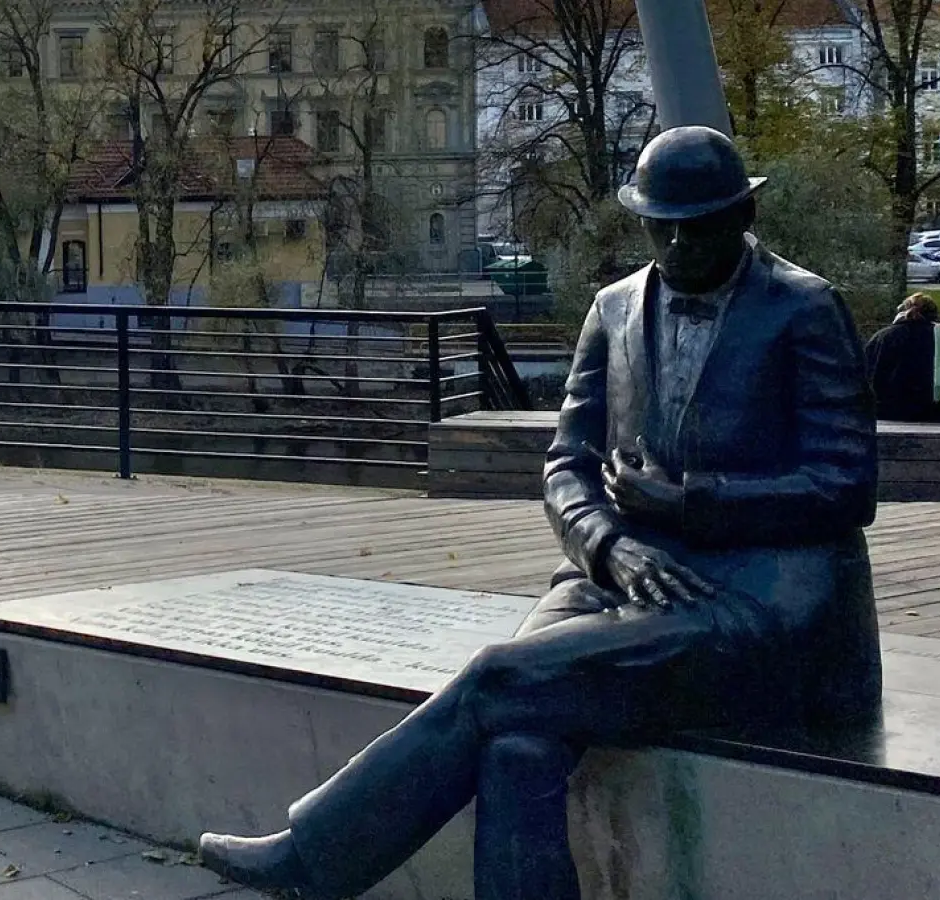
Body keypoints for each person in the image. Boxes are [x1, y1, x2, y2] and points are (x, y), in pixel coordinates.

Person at [198, 126, 883, 900]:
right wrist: (607, 547)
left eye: (700, 225)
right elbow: (566, 464)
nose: (681, 243)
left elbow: (846, 483)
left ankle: (314, 859)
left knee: (497, 680)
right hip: (618, 577)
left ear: (741, 216)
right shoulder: (615, 307)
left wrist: (694, 503)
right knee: (518, 743)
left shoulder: (805, 309)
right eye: (664, 226)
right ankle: (320, 860)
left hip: (755, 602)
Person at [863, 292, 940, 422]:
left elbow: (866, 373)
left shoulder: (881, 337)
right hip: (930, 411)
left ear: (902, 310)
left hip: (887, 411)